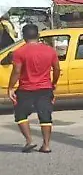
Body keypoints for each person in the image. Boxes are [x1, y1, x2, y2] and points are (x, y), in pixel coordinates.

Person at [6, 24, 60, 153]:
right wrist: (54, 83)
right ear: (38, 35)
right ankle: (46, 145)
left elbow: (17, 71)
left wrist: (10, 87)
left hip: (26, 89)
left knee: (20, 114)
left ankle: (29, 141)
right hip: (45, 88)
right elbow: (57, 69)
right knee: (45, 115)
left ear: (24, 37)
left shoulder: (19, 52)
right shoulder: (50, 51)